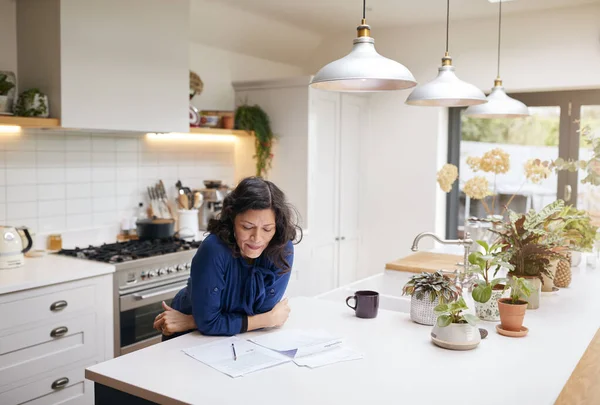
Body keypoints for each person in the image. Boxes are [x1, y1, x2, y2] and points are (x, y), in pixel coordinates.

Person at [153, 177, 301, 339]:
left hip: (226, 334)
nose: (257, 238)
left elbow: (261, 311)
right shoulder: (214, 249)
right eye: (247, 227)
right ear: (232, 219)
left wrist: (195, 321)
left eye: (267, 229)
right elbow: (265, 317)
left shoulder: (281, 249)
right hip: (190, 335)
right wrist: (267, 320)